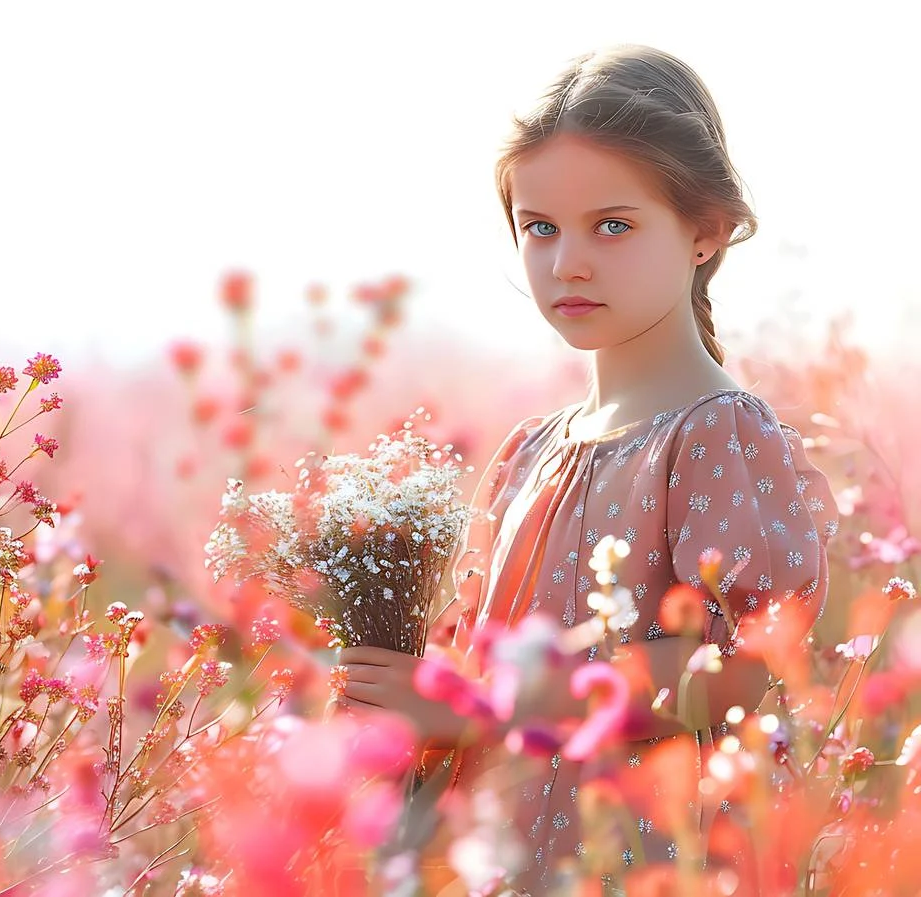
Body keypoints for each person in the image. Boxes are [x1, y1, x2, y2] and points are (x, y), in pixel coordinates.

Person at [334, 45, 840, 893]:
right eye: (540, 226)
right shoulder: (530, 452)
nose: (568, 261)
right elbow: (478, 668)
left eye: (613, 224)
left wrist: (481, 705)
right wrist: (405, 703)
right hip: (505, 855)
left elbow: (748, 667)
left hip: (644, 858)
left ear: (706, 230)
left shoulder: (718, 433)